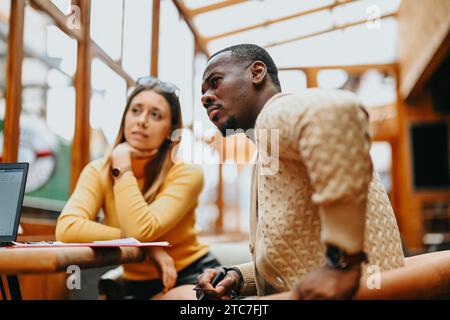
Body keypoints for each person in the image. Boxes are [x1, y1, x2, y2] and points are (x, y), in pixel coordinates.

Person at [196, 44, 405, 300]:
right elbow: (300, 257)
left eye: (214, 82)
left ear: (257, 73)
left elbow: (338, 113)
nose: (205, 97)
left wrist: (342, 263)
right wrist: (238, 278)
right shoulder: (269, 149)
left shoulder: (274, 114)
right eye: (203, 91)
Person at [56, 76, 221, 299]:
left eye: (155, 115)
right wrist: (149, 248)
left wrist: (123, 168)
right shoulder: (98, 170)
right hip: (132, 282)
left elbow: (141, 230)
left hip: (192, 275)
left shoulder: (187, 173)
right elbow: (66, 228)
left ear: (170, 130)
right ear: (125, 117)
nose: (142, 120)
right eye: (135, 110)